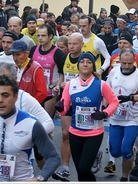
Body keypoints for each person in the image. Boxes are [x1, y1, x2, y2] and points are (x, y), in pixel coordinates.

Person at [0, 75, 61, 181]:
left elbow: (54, 157)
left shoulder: (31, 123)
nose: (0, 100)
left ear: (15, 96)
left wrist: (39, 178)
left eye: (5, 95)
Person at [55, 52, 119, 181]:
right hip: (75, 132)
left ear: (93, 66)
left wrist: (104, 113)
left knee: (84, 168)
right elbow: (65, 109)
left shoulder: (101, 84)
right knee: (80, 171)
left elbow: (114, 101)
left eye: (89, 62)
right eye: (82, 61)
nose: (85, 64)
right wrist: (60, 108)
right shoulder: (70, 84)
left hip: (94, 133)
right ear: (78, 65)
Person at [105, 48, 138, 181]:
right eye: (124, 63)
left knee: (126, 150)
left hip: (132, 118)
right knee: (115, 152)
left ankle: (125, 177)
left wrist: (131, 97)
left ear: (134, 61)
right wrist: (104, 108)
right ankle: (130, 154)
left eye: (129, 63)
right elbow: (106, 91)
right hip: (116, 117)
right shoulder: (114, 72)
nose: (126, 66)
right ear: (119, 60)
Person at [51, 33, 84, 181]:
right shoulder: (65, 58)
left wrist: (73, 84)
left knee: (82, 135)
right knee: (65, 134)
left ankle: (94, 154)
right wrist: (58, 86)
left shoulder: (86, 59)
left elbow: (93, 78)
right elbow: (63, 75)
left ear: (81, 44)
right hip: (67, 100)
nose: (71, 46)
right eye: (69, 43)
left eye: (75, 44)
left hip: (83, 102)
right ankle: (65, 169)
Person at [29, 24, 65, 118]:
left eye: (43, 35)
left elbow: (62, 74)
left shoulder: (58, 53)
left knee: (46, 123)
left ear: (50, 36)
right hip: (35, 92)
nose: (40, 38)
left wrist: (53, 86)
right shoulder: (33, 50)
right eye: (39, 35)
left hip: (50, 93)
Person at [9, 40, 48, 104]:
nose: (15, 58)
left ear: (27, 53)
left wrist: (30, 106)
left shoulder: (36, 68)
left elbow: (43, 93)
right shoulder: (13, 68)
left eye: (18, 55)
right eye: (13, 55)